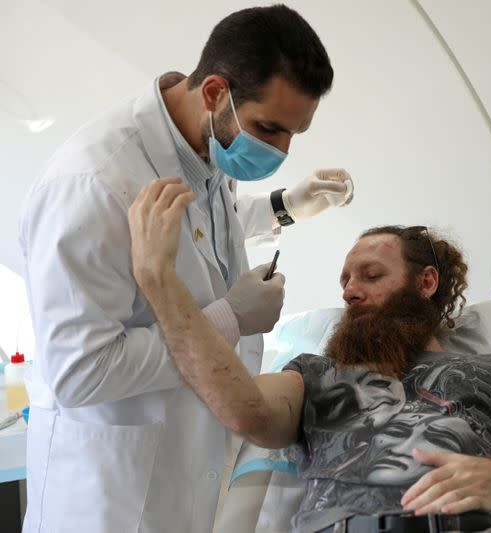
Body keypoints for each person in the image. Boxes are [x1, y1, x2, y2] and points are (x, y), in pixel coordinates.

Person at [126, 180, 491, 533]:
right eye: (345, 280)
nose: (349, 292)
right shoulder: (312, 374)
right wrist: (160, 282)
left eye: (370, 276)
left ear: (425, 283)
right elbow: (241, 409)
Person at [18, 6, 354, 533]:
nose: (281, 150)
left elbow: (198, 234)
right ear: (217, 91)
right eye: (270, 128)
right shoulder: (92, 185)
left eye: (295, 134)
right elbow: (79, 372)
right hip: (113, 501)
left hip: (187, 475)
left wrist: (285, 204)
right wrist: (230, 320)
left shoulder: (208, 143)